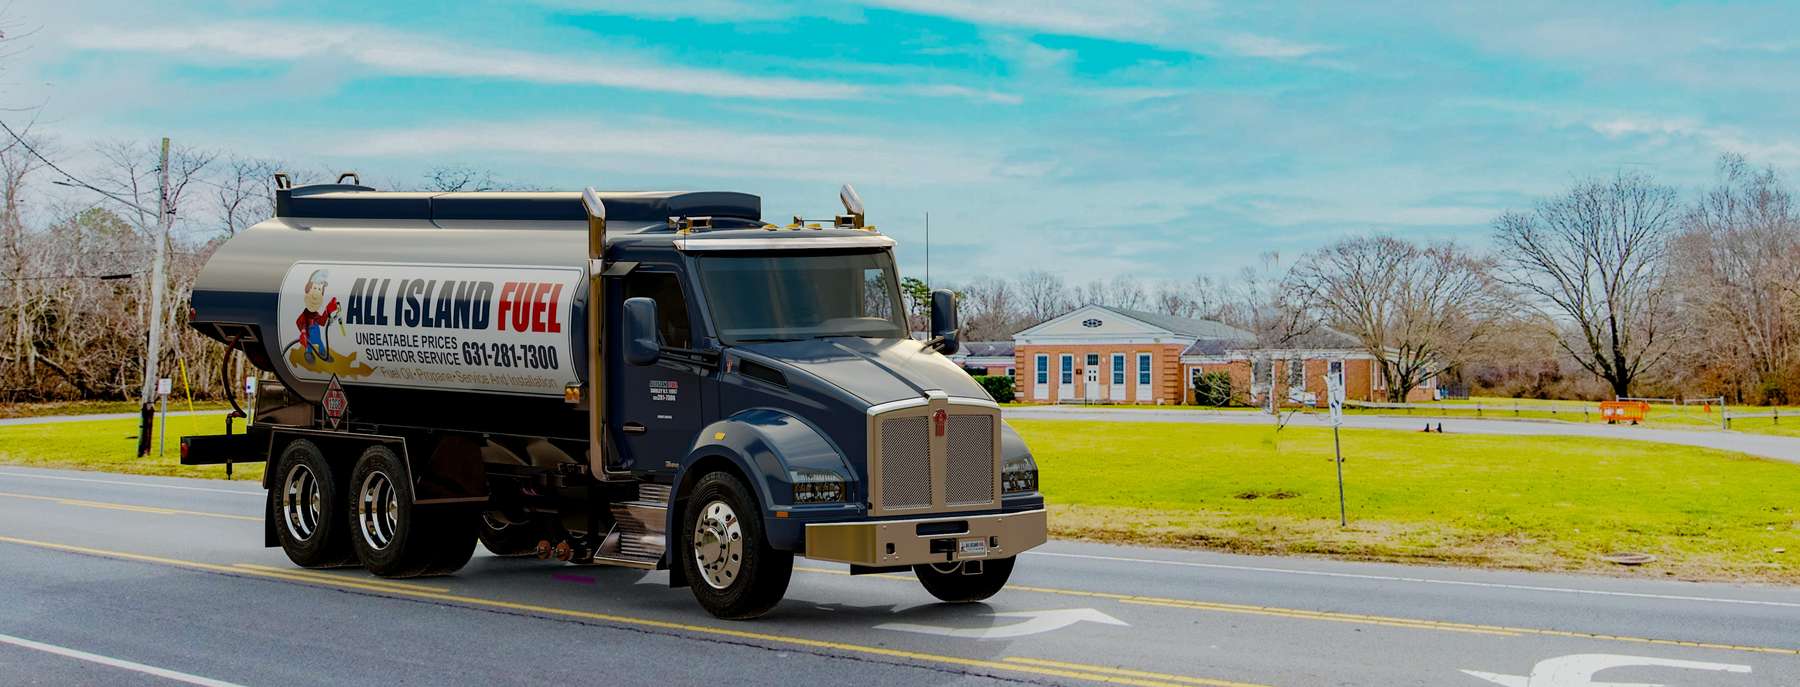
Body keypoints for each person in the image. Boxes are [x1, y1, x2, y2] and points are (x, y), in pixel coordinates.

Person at [296, 269, 339, 364]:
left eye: (319, 290)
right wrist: (302, 331)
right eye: (315, 288)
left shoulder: (315, 315)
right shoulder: (305, 314)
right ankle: (308, 354)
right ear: (308, 291)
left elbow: (322, 322)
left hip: (317, 336)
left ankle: (323, 354)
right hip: (308, 335)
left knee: (320, 344)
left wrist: (328, 310)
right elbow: (298, 322)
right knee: (309, 346)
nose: (316, 294)